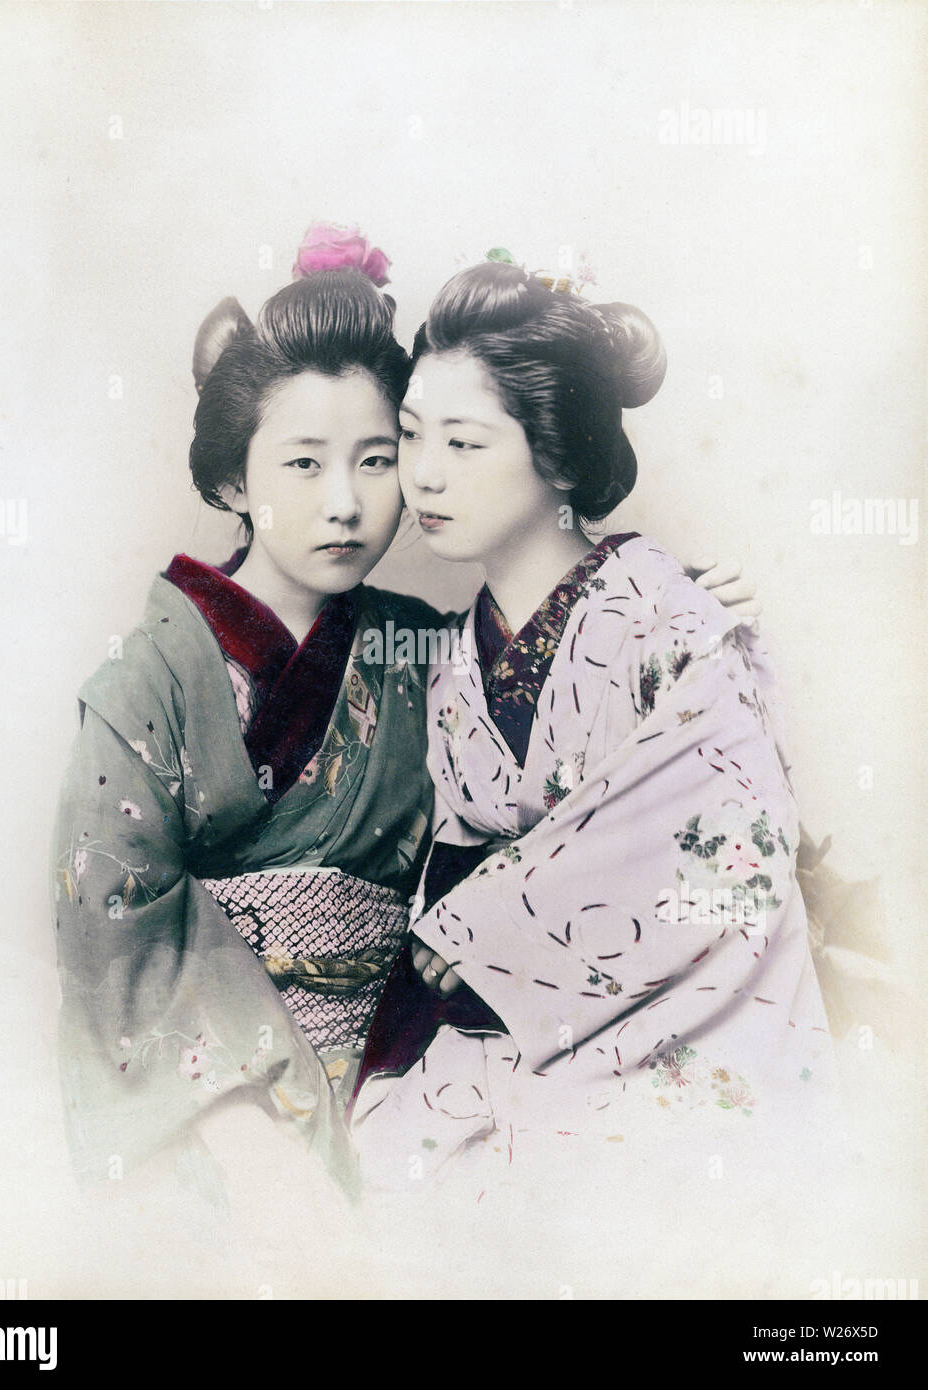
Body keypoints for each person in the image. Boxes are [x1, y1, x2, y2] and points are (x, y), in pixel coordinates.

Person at [51, 225, 761, 1202]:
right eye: (303, 464)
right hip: (217, 1112)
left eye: (379, 457)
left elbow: (583, 792)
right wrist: (242, 1137)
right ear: (230, 479)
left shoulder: (430, 648)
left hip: (406, 1071)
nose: (348, 502)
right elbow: (107, 917)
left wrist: (667, 630)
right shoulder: (154, 679)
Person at [351, 255, 834, 1196]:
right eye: (411, 438)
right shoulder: (454, 659)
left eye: (464, 444)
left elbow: (737, 846)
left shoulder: (672, 619)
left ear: (559, 456)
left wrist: (491, 921)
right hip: (504, 1031)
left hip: (669, 1026)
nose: (424, 477)